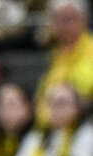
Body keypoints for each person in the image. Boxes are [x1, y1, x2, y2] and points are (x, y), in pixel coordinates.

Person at [34, 0, 93, 128]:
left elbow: (83, 93)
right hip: (49, 127)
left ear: (84, 19)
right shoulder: (54, 54)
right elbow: (41, 97)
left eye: (69, 18)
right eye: (57, 19)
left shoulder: (91, 51)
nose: (63, 25)